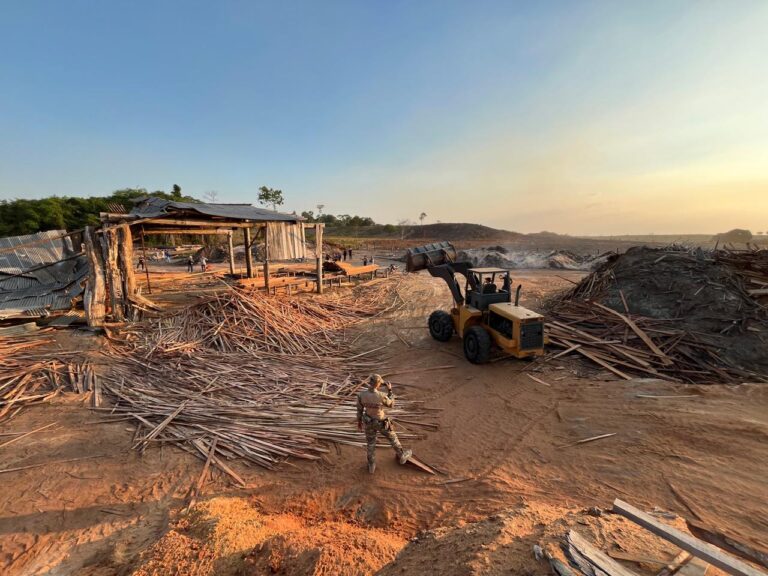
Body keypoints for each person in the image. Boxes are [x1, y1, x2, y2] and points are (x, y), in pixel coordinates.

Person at [356, 374, 411, 474]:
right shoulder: (381, 395)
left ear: (369, 383)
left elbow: (359, 410)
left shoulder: (361, 395)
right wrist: (390, 391)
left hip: (368, 423)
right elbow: (391, 404)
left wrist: (359, 422)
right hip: (381, 423)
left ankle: (371, 465)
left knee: (371, 444)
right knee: (393, 438)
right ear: (378, 384)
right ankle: (402, 455)